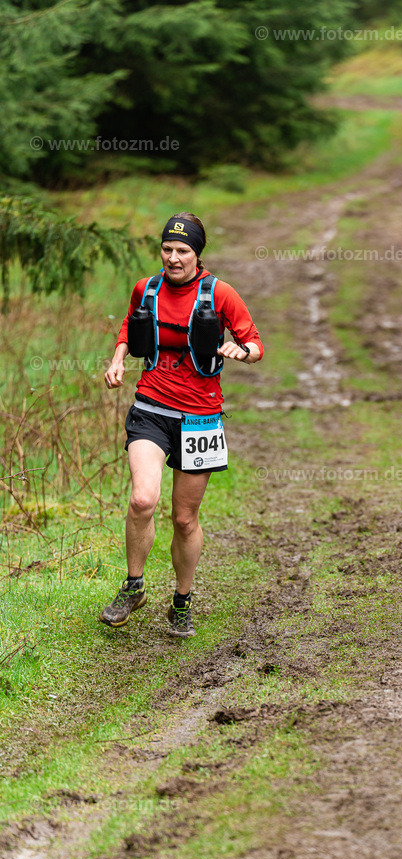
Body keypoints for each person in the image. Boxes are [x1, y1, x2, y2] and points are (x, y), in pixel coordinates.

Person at [101, 212, 262, 638]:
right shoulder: (146, 288)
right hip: (151, 407)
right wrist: (118, 359)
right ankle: (134, 586)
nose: (174, 258)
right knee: (141, 499)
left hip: (201, 416)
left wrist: (239, 351)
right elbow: (128, 323)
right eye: (168, 249)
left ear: (198, 254)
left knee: (185, 518)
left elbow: (256, 343)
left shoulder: (220, 293)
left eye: (183, 251)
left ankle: (182, 601)